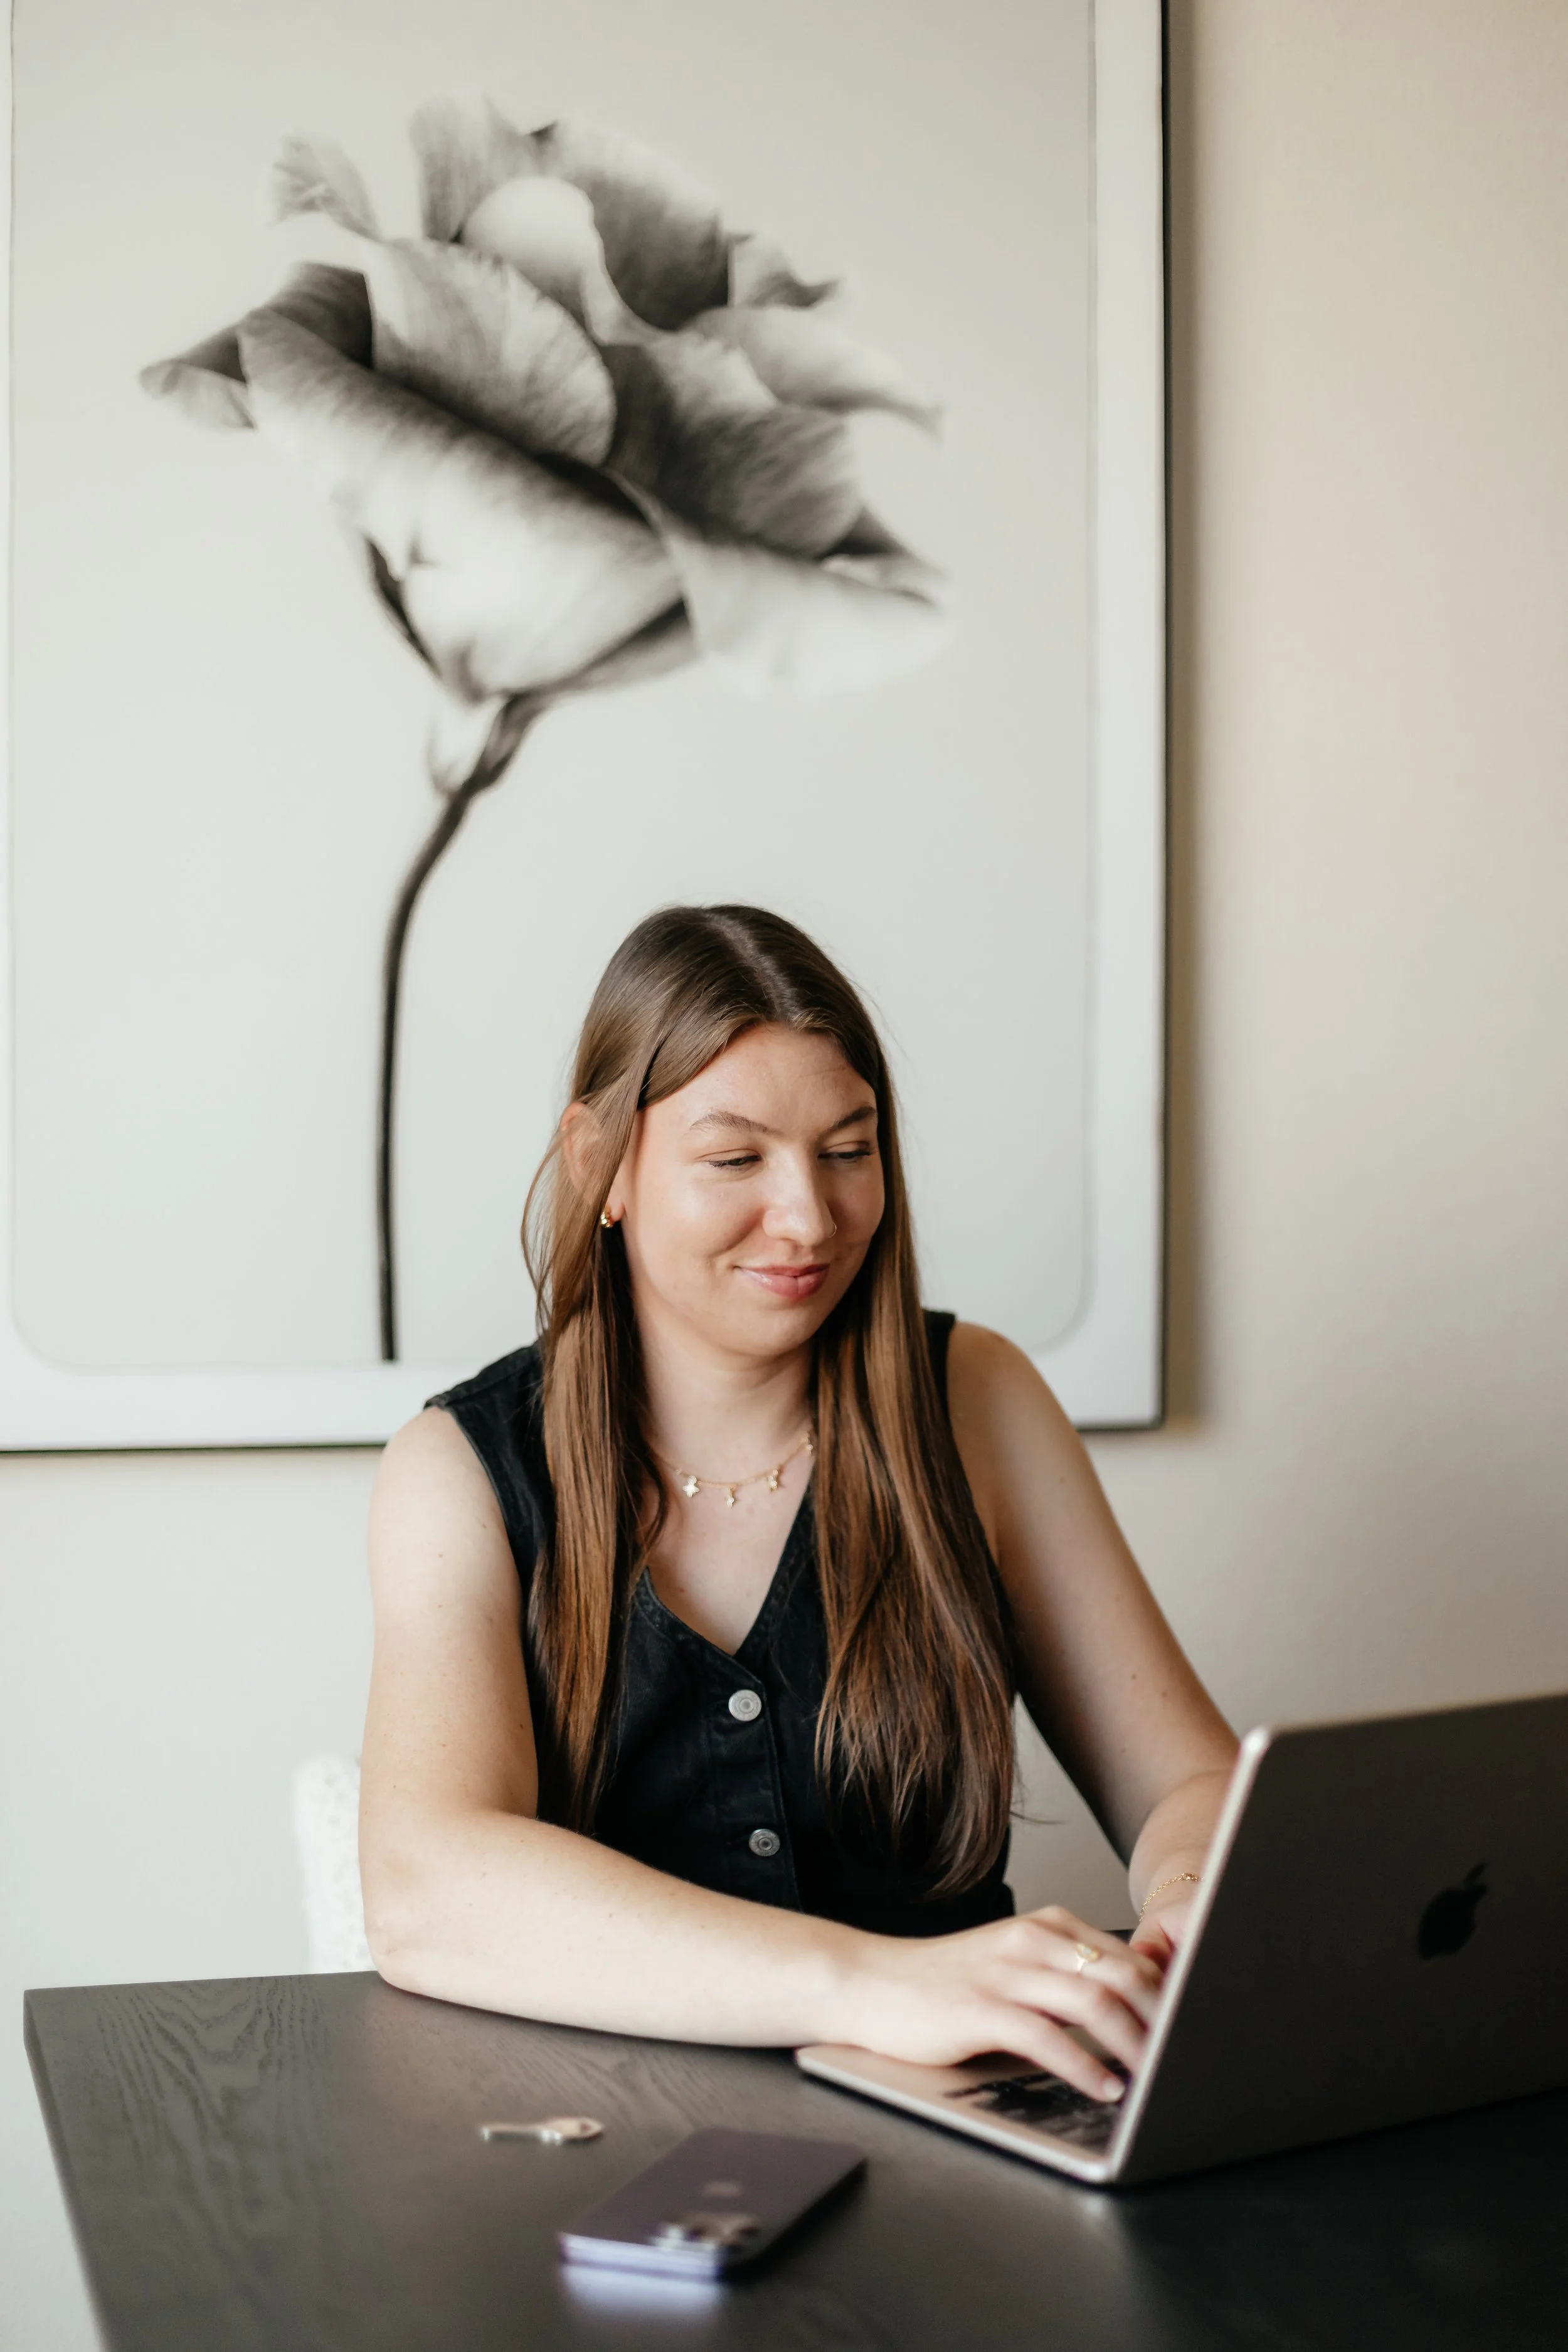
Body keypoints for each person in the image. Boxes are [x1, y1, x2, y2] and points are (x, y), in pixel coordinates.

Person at [362, 904, 1237, 2104]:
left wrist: (1185, 1906)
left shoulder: (979, 1399)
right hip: (599, 2135)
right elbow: (425, 1887)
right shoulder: (459, 1467)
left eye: (848, 1149)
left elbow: (1190, 1787)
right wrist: (876, 1985)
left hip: (966, 2127)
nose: (811, 1218)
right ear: (597, 1162)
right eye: (737, 1159)